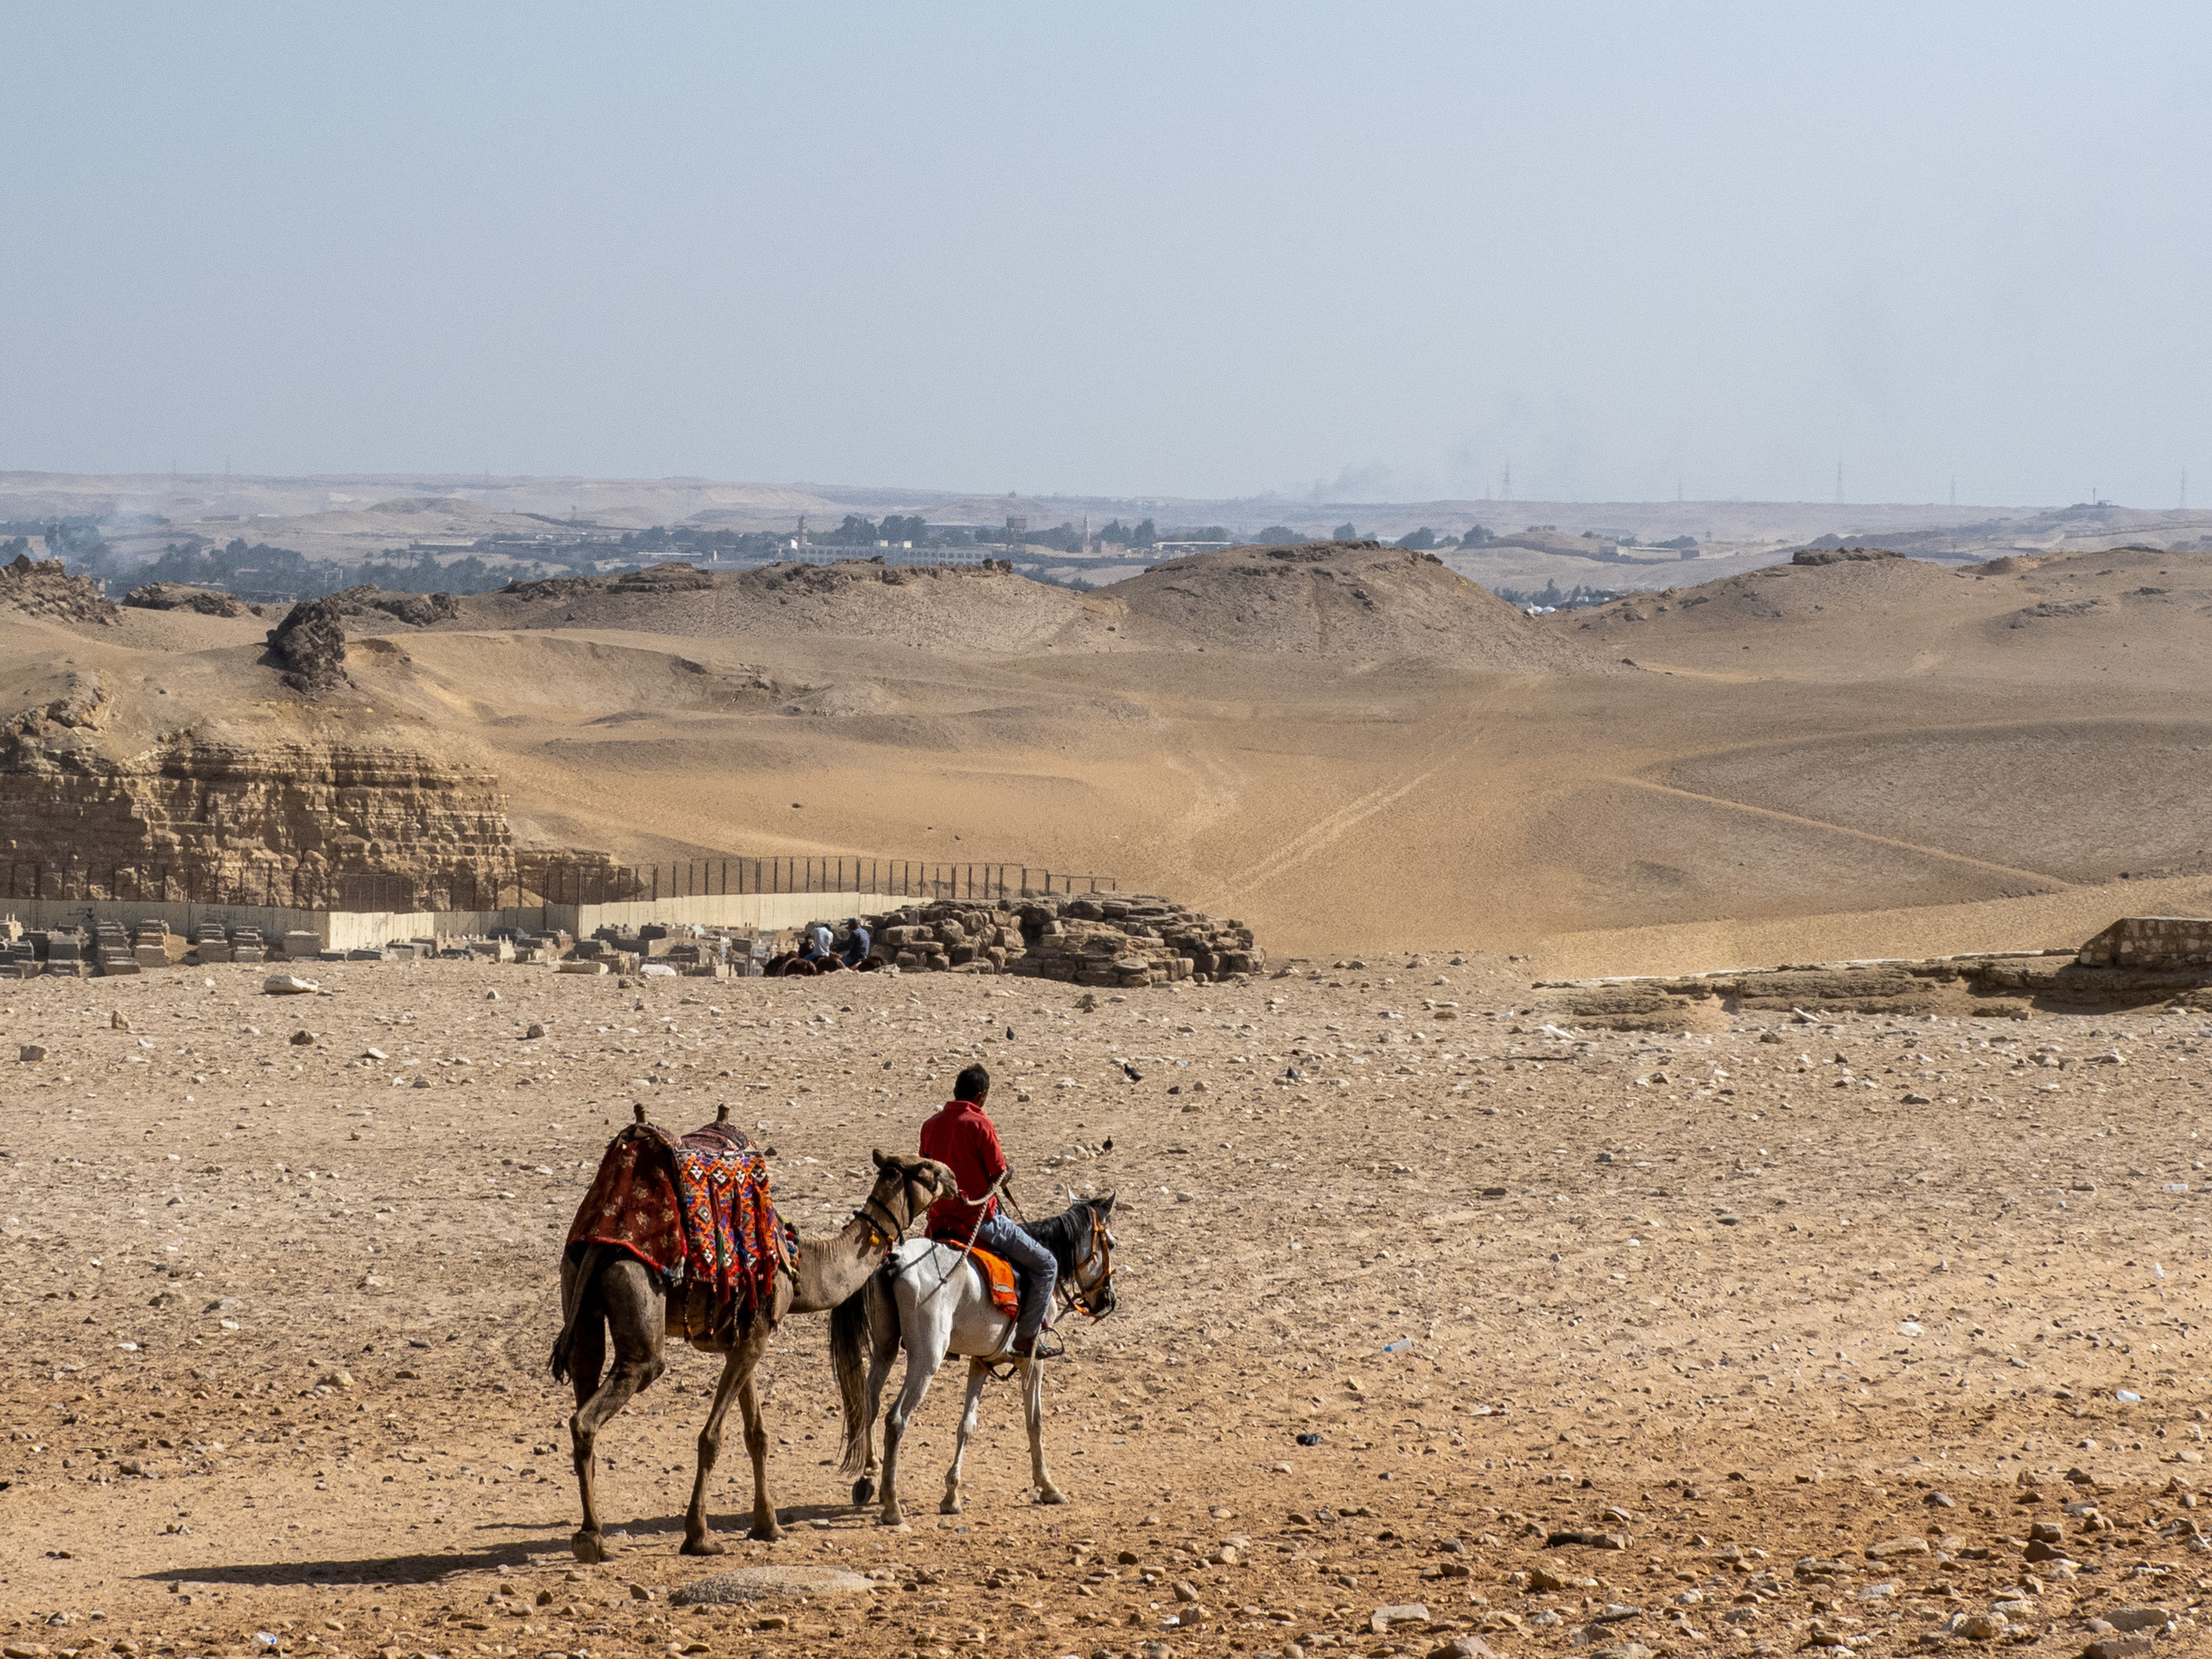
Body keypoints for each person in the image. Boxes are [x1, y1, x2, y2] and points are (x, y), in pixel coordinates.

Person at [919, 1064, 1058, 1357]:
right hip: (978, 1221)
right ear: (980, 1097)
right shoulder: (980, 1124)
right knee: (1046, 1264)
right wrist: (1008, 1173)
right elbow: (998, 1174)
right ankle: (1026, 1339)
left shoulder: (930, 1125)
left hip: (938, 1223)